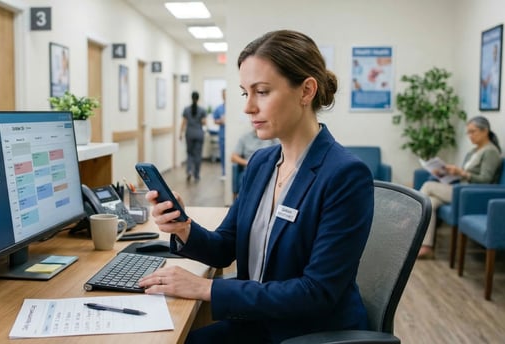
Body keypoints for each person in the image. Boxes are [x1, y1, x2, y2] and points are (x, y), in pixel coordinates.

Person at [139, 30, 375, 343]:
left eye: (261, 92)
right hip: (259, 321)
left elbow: (316, 292)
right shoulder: (262, 164)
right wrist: (182, 227)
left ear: (306, 91)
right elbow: (225, 247)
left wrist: (206, 288)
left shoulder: (345, 175)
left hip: (306, 332)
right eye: (244, 93)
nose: (248, 107)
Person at [417, 116, 502, 259]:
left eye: (473, 132)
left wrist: (462, 172)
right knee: (430, 203)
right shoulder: (473, 152)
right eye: (468, 132)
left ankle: (409, 218)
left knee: (427, 186)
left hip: (472, 194)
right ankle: (426, 246)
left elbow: (486, 180)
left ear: (485, 131)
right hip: (461, 190)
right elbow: (465, 175)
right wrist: (447, 172)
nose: (470, 136)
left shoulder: (491, 152)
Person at [231, 129, 279, 199]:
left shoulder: (273, 138)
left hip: (269, 169)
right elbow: (233, 157)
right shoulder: (245, 137)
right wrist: (250, 163)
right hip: (250, 169)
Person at [180, 91, 207, 182]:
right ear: (198, 98)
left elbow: (183, 123)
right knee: (197, 155)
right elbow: (204, 123)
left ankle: (189, 171)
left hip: (190, 134)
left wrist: (180, 133)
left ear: (191, 98)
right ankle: (196, 175)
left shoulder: (186, 109)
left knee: (189, 153)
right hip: (199, 133)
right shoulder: (202, 110)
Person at [213, 89, 227, 178]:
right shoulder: (219, 108)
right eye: (223, 94)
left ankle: (228, 172)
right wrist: (220, 121)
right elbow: (215, 120)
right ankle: (224, 172)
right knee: (222, 154)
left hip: (230, 135)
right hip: (222, 134)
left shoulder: (233, 108)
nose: (225, 96)